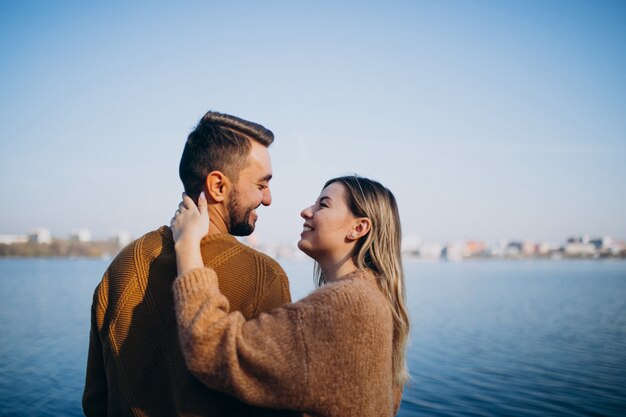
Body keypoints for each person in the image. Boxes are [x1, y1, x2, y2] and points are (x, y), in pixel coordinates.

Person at [83, 111, 297, 417]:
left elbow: (95, 399)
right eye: (262, 185)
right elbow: (277, 406)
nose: (268, 199)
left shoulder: (122, 265)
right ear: (218, 187)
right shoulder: (264, 277)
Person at [170, 175, 410, 417]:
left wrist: (187, 243)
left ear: (358, 228)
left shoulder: (347, 304)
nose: (306, 211)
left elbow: (210, 348)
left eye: (323, 205)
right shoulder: (375, 299)